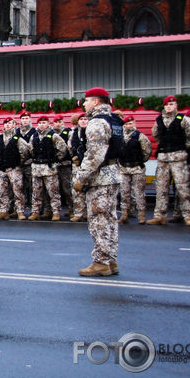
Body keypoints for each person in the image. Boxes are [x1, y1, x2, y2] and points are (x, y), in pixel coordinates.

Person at [73, 87, 123, 277]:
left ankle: (101, 261)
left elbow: (94, 155)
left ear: (95, 102)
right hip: (112, 174)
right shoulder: (115, 121)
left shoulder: (96, 123)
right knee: (110, 219)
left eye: (86, 101)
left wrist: (81, 178)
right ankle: (110, 260)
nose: (84, 104)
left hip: (100, 177)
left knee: (99, 221)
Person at [148, 96, 190, 226]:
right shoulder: (159, 120)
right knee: (161, 188)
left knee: (183, 188)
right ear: (164, 107)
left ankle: (188, 216)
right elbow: (156, 135)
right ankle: (160, 216)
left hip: (178, 158)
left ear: (176, 105)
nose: (169, 106)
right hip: (163, 158)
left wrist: (182, 147)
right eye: (167, 105)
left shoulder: (183, 119)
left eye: (172, 104)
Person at [28, 116, 68, 221]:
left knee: (53, 191)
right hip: (37, 168)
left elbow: (63, 149)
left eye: (44, 122)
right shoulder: (34, 136)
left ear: (48, 124)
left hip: (49, 168)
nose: (41, 124)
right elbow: (30, 149)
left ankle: (55, 212)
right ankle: (36, 211)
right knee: (36, 192)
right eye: (40, 122)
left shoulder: (53, 136)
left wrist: (55, 159)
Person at [118, 115, 152, 224]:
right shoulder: (120, 137)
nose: (129, 125)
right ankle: (124, 215)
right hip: (124, 168)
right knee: (124, 192)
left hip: (137, 168)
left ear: (134, 123)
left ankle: (141, 215)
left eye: (131, 123)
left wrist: (140, 161)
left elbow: (147, 150)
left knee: (139, 192)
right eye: (127, 124)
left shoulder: (139, 136)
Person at [0, 117, 30, 220]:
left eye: (10, 123)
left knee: (17, 190)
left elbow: (25, 152)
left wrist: (19, 162)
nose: (7, 125)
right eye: (5, 123)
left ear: (14, 125)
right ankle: (4, 211)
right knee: (2, 191)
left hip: (14, 168)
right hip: (2, 168)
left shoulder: (17, 138)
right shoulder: (0, 138)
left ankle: (20, 211)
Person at [53, 115, 74, 217]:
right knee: (53, 190)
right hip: (53, 165)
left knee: (67, 189)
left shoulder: (68, 132)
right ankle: (53, 210)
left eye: (59, 121)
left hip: (65, 165)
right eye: (56, 121)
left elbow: (70, 147)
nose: (57, 123)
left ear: (62, 122)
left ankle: (72, 208)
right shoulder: (50, 133)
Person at [70, 113, 89, 222]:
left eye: (85, 119)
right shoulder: (74, 133)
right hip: (78, 166)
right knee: (77, 190)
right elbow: (70, 146)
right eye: (81, 119)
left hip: (89, 166)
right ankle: (78, 213)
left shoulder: (92, 131)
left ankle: (89, 213)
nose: (83, 121)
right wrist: (75, 157)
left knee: (90, 190)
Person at [16, 111, 37, 206]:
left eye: (26, 118)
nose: (25, 120)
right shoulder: (16, 132)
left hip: (30, 163)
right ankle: (21, 206)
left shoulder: (34, 132)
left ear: (30, 119)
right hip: (19, 163)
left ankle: (35, 206)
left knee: (33, 186)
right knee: (20, 186)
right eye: (23, 119)